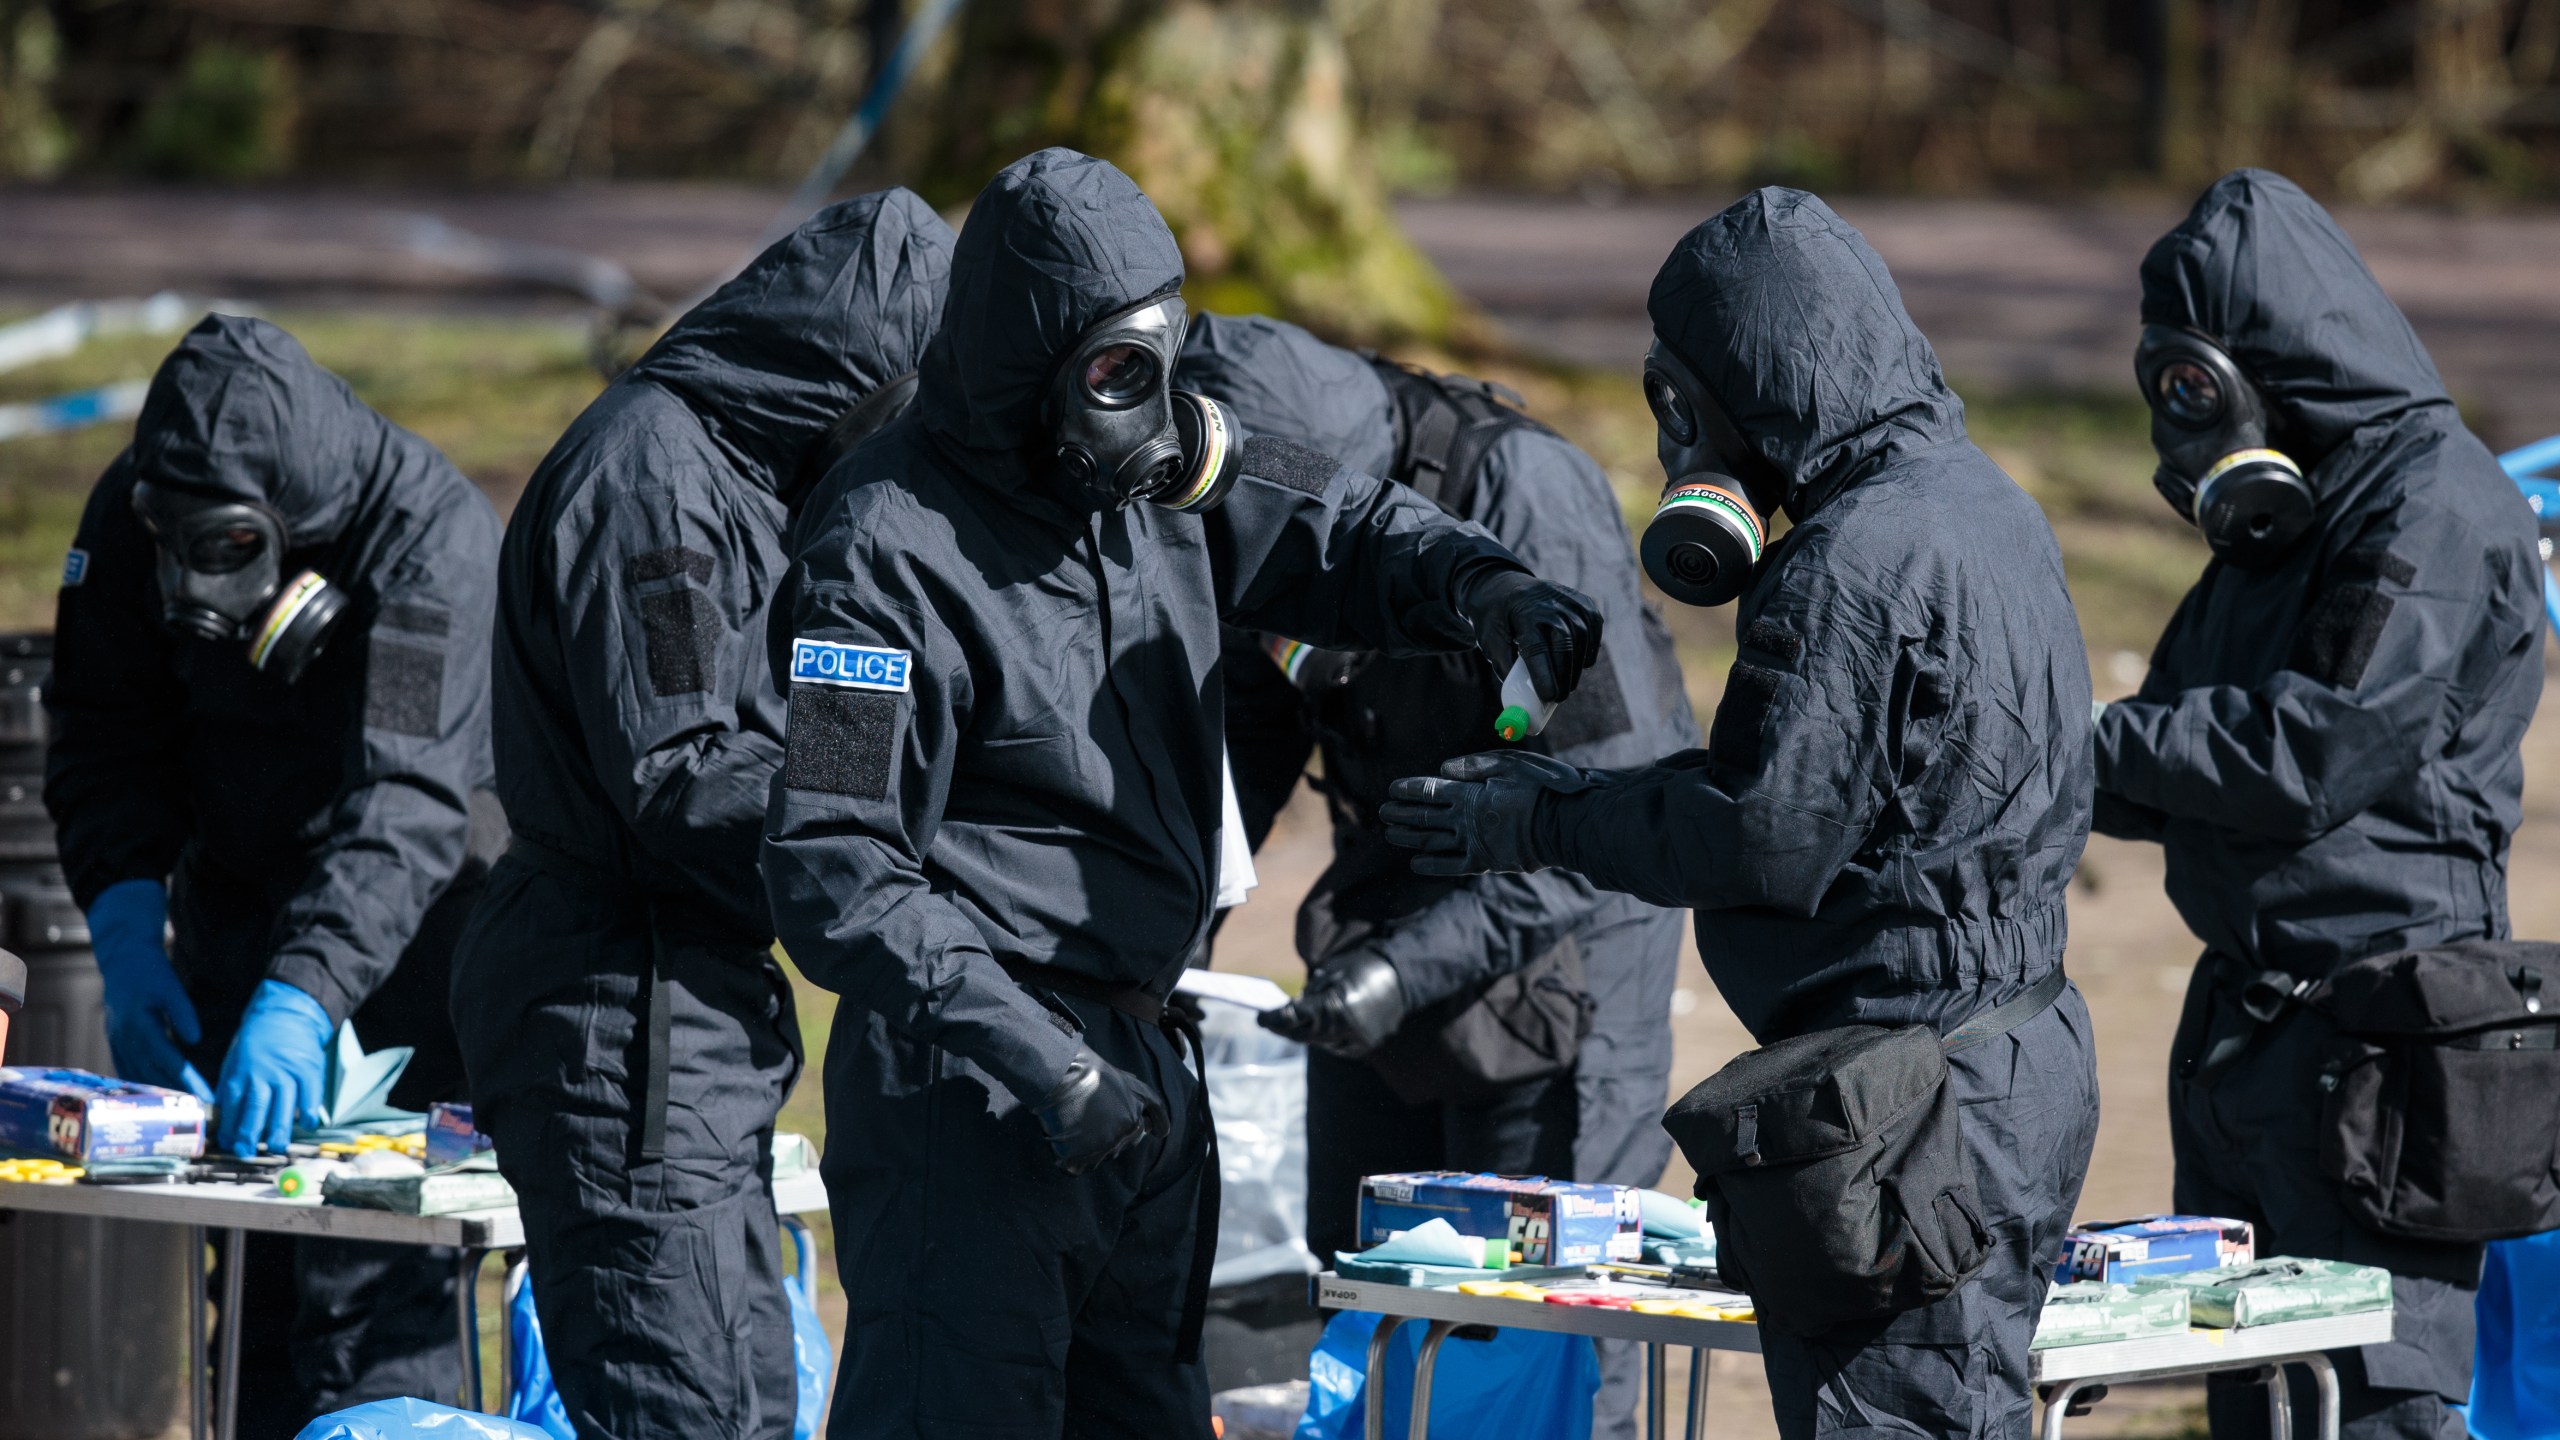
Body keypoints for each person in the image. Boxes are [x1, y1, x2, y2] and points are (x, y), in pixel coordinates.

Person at [762, 147, 1602, 1439]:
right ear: (1024, 359)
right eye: (1109, 372)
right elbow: (834, 866)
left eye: (1156, 360)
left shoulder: (1152, 477)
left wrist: (1484, 586)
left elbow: (1337, 525)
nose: (1141, 403)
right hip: (974, 1084)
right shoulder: (882, 549)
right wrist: (1039, 1064)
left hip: (1143, 1061)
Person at [1381, 187, 2101, 1440]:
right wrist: (1581, 793)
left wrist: (1537, 825)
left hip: (1911, 1105)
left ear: (1717, 393)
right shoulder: (1979, 502)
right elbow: (1821, 791)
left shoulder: (1850, 563)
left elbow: (1765, 840)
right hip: (2014, 1057)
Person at [449, 190, 952, 1440]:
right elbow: (682, 772)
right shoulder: (651, 482)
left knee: (755, 1399)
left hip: (697, 1014)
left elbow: (798, 736)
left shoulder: (755, 479)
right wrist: (894, 859)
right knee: (681, 1408)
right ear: (849, 384)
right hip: (619, 1013)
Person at [1178, 313, 1692, 1440]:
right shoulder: (1254, 507)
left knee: (1540, 1329)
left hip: (1567, 936)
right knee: (1368, 1281)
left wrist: (1402, 972)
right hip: (1394, 899)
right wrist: (1189, 907)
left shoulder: (1519, 497)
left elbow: (1607, 811)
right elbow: (1253, 732)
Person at [2090, 170, 2542, 1440]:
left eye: (2197, 387)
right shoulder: (2282, 518)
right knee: (2262, 1410)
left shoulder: (2433, 501)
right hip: (2247, 1029)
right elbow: (2165, 751)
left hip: (2388, 1031)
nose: (2183, 421)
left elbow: (2309, 756)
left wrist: (2086, 748)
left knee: (2376, 1413)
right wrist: (2026, 766)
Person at [45, 314, 500, 1434]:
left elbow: (411, 802)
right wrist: (121, 914)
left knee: (366, 1283)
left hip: (405, 935)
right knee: (248, 1278)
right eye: (175, 543)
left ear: (294, 524)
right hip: (230, 906)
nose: (195, 580)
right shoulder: (136, 503)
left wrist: (305, 997)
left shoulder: (427, 540)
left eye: (229, 549)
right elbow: (102, 730)